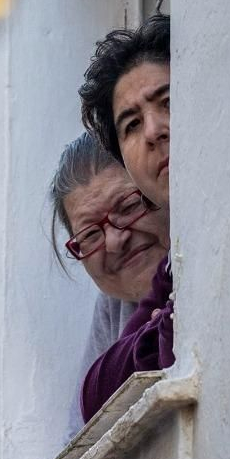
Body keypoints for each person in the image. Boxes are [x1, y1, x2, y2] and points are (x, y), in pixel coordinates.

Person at [76, 14, 174, 420]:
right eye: (131, 124)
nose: (153, 131)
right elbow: (94, 396)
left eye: (168, 102)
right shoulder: (172, 270)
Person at [48, 132, 170, 423]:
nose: (115, 241)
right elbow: (82, 438)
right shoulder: (112, 307)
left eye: (128, 206)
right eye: (90, 234)